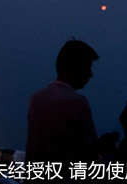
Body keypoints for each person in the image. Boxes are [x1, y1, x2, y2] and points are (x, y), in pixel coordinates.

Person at [26, 39, 99, 171]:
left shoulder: (35, 99)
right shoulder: (78, 103)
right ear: (74, 67)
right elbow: (89, 151)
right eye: (87, 67)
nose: (90, 74)